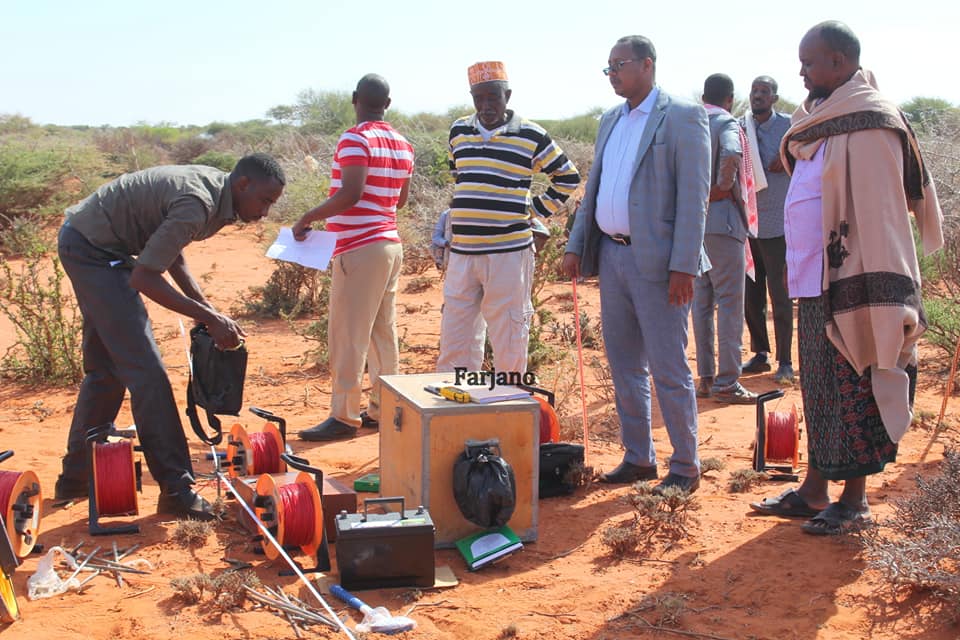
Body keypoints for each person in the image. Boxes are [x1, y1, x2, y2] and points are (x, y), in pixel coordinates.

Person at [750, 21, 943, 534]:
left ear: (838, 63)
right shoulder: (821, 120)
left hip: (859, 283)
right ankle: (815, 490)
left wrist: (872, 287)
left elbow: (880, 216)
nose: (801, 72)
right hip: (815, 280)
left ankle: (854, 500)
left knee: (856, 387)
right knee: (820, 390)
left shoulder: (872, 122)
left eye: (809, 63)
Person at [54, 153, 286, 519]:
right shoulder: (199, 201)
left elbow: (170, 252)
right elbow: (144, 277)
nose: (265, 212)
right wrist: (209, 317)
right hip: (94, 252)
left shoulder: (216, 192)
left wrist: (208, 310)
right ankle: (176, 489)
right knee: (147, 373)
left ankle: (76, 479)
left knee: (107, 369)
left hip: (95, 244)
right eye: (265, 201)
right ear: (243, 185)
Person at [562, 35, 710, 493]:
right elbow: (596, 187)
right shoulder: (610, 119)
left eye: (619, 65)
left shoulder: (683, 116)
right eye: (607, 67)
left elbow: (695, 197)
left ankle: (685, 466)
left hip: (662, 265)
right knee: (624, 364)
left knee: (668, 368)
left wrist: (684, 265)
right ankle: (639, 458)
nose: (612, 74)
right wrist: (576, 244)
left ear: (647, 65)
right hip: (613, 256)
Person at [436, 61, 580, 376]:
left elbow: (568, 177)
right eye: (479, 98)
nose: (486, 105)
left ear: (508, 95)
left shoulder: (531, 134)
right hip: (462, 252)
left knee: (510, 332)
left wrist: (533, 212)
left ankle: (510, 404)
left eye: (494, 97)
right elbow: (459, 176)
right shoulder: (459, 130)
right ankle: (457, 406)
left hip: (509, 252)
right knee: (455, 334)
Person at [294, 74, 414, 441]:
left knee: (348, 335)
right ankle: (383, 409)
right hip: (390, 245)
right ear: (387, 104)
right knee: (382, 334)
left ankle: (344, 417)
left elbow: (350, 193)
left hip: (360, 247)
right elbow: (402, 201)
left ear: (354, 99)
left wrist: (308, 217)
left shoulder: (355, 138)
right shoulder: (402, 144)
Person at [692, 73, 758, 404]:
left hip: (692, 226)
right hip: (723, 224)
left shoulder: (690, 120)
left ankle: (706, 378)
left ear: (704, 95)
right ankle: (728, 382)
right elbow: (732, 154)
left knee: (701, 303)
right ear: (729, 99)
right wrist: (718, 189)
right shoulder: (727, 123)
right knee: (730, 303)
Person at [740, 76, 795, 384]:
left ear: (775, 97)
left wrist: (787, 155)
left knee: (781, 294)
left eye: (764, 92)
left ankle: (785, 361)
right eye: (754, 91)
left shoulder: (790, 127)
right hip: (749, 225)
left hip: (779, 225)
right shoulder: (740, 127)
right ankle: (761, 354)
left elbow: (808, 157)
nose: (758, 96)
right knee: (752, 294)